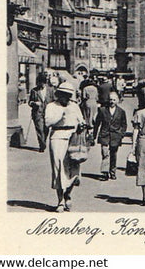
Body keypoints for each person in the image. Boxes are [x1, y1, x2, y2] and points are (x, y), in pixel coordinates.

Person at [45, 81, 85, 212]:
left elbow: (81, 120)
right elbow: (47, 122)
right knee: (59, 168)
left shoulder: (74, 106)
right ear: (59, 94)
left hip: (73, 138)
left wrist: (82, 126)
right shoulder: (51, 106)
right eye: (64, 95)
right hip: (57, 137)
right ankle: (60, 200)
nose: (67, 98)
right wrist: (60, 117)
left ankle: (68, 193)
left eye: (69, 95)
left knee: (74, 168)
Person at [92, 91, 127, 180]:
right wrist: (94, 135)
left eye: (114, 100)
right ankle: (105, 173)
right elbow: (97, 123)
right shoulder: (102, 110)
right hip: (104, 135)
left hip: (115, 136)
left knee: (113, 155)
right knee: (105, 154)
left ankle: (112, 172)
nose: (112, 101)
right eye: (110, 99)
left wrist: (121, 134)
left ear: (117, 101)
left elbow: (124, 124)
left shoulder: (121, 111)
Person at [28, 72, 55, 152]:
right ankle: (42, 145)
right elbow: (30, 102)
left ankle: (43, 141)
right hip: (37, 113)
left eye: (43, 83)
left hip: (48, 113)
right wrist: (34, 103)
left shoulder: (51, 90)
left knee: (46, 129)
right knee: (40, 129)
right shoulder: (34, 91)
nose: (42, 85)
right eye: (40, 83)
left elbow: (54, 100)